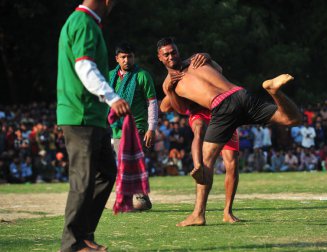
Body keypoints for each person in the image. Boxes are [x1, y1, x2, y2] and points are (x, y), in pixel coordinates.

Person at [157, 37, 302, 226]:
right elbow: (214, 74)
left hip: (223, 107)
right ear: (159, 57)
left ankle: (198, 214)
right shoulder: (195, 60)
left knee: (205, 164)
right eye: (166, 54)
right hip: (241, 95)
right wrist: (206, 58)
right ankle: (274, 92)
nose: (170, 56)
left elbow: (180, 107)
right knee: (291, 119)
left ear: (178, 50)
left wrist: (170, 89)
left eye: (173, 52)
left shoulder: (191, 63)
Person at [57, 0, 130, 251]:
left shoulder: (89, 24)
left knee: (106, 174)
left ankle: (84, 233)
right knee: (84, 179)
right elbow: (84, 65)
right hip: (80, 115)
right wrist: (113, 97)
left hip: (92, 117)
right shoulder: (83, 22)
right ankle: (72, 243)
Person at [109, 41, 158, 211]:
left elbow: (152, 102)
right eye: (123, 57)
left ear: (134, 57)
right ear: (117, 59)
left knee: (135, 164)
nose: (126, 60)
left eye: (129, 56)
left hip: (138, 128)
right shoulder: (110, 77)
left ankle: (139, 196)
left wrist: (152, 127)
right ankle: (128, 199)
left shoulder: (142, 75)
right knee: (120, 165)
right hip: (116, 129)